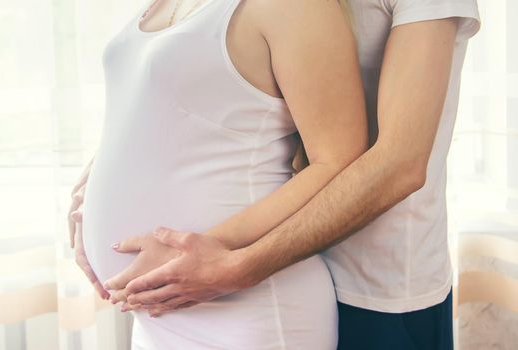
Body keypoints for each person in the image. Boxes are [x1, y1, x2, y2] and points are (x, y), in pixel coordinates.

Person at [88, 0, 482, 349]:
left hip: (376, 285)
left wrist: (233, 265)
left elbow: (400, 165)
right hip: (269, 260)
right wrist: (90, 191)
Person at [69, 0, 368, 348]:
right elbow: (165, 115)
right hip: (161, 313)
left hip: (248, 308)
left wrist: (204, 251)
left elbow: (339, 162)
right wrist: (90, 192)